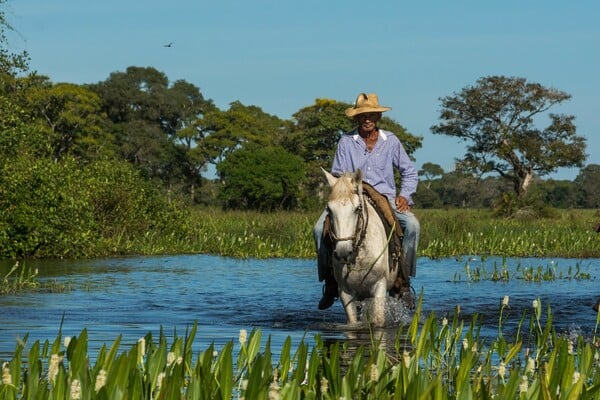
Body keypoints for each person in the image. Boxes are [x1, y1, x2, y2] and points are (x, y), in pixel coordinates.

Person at [314, 92, 420, 310]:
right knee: (318, 229)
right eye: (363, 115)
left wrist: (404, 196)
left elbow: (409, 172)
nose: (367, 119)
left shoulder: (391, 141)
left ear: (377, 117)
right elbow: (337, 175)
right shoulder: (345, 142)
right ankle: (330, 282)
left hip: (384, 197)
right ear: (357, 118)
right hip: (353, 196)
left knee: (412, 226)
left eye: (371, 115)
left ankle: (404, 282)